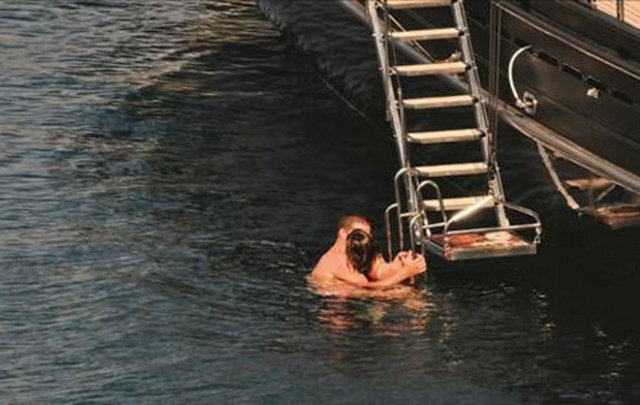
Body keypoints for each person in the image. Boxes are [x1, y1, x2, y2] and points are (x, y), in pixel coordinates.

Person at [307, 215, 426, 294]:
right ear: (342, 233)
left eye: (367, 236)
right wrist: (405, 272)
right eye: (359, 235)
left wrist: (401, 262)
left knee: (406, 291)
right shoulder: (334, 260)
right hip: (337, 304)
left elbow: (379, 271)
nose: (364, 240)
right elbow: (367, 288)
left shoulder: (359, 252)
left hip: (359, 297)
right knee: (400, 293)